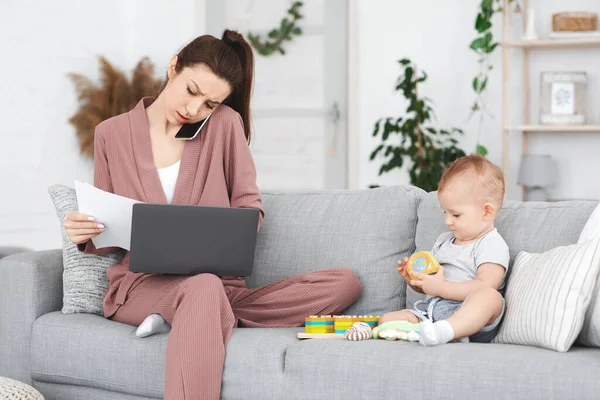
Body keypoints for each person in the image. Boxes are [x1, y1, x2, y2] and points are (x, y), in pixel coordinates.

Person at [63, 29, 362, 400]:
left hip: (220, 284)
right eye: (192, 91)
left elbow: (249, 205)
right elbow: (105, 228)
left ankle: (190, 314)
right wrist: (86, 233)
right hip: (141, 286)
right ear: (174, 67)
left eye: (209, 103)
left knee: (345, 282)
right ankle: (191, 309)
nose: (194, 109)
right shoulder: (111, 134)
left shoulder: (224, 125)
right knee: (203, 288)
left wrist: (232, 232)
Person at [379, 154, 509, 346]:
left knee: (490, 297)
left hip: (470, 316)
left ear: (486, 211)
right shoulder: (443, 241)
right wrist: (415, 280)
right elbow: (431, 284)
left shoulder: (491, 244)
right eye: (445, 212)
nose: (447, 221)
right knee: (387, 320)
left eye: (456, 214)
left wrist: (442, 288)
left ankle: (448, 331)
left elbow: (485, 285)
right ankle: (425, 333)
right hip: (431, 311)